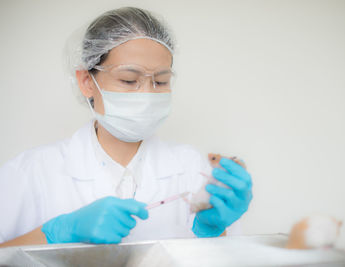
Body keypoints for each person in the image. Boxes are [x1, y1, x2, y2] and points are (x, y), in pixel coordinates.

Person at [0, 7, 252, 247]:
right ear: (87, 81)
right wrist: (57, 233)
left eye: (161, 81)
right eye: (129, 80)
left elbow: (227, 258)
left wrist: (213, 230)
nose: (147, 95)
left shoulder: (191, 168)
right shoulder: (30, 173)